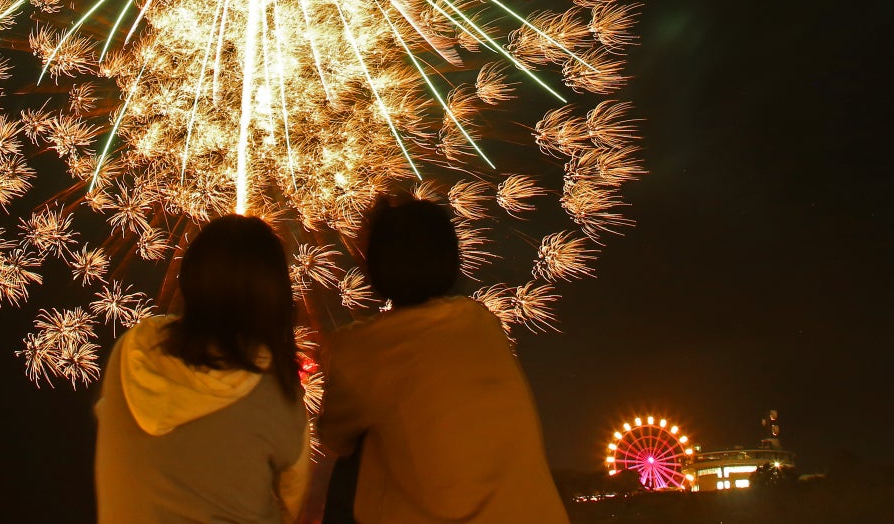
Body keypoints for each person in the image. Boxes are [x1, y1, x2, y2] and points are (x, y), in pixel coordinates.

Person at [318, 197, 569, 524]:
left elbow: (334, 436)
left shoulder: (358, 347)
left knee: (354, 460)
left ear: (374, 265)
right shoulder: (482, 322)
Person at [95, 214, 310, 523]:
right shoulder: (279, 391)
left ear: (190, 277)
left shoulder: (133, 351)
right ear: (273, 294)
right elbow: (292, 504)